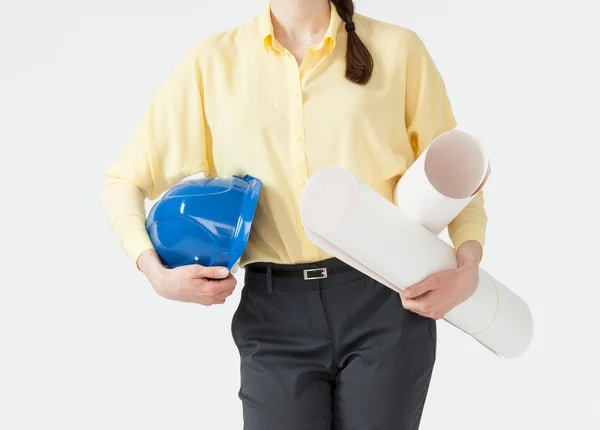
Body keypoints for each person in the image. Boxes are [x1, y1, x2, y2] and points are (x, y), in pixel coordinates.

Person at [101, 0, 488, 428]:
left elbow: (457, 178)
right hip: (274, 316)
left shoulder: (398, 50)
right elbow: (123, 182)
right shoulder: (211, 65)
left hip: (385, 303)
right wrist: (156, 273)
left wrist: (468, 266)